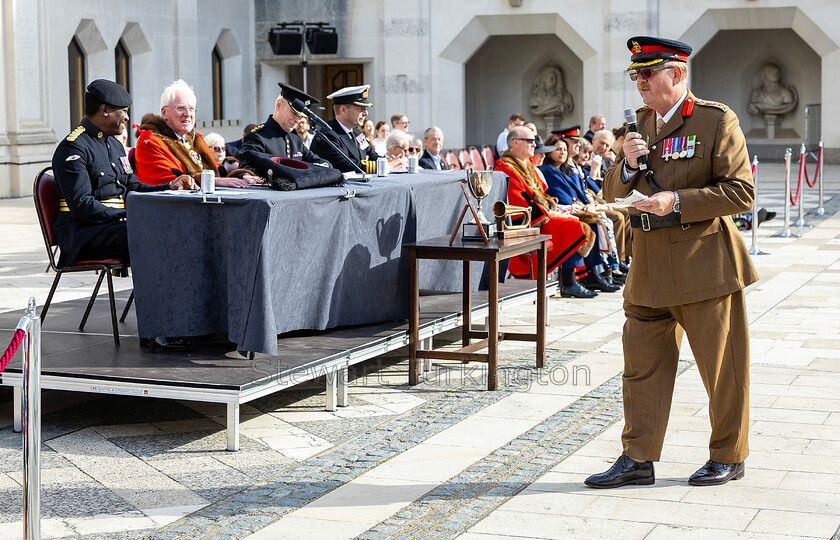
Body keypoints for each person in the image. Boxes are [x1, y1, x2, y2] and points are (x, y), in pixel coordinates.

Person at [587, 36, 758, 489]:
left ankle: (729, 455)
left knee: (722, 369)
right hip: (648, 267)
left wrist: (676, 200)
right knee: (641, 369)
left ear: (677, 74)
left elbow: (741, 192)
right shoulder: (640, 123)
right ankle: (637, 456)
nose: (639, 83)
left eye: (648, 73)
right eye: (635, 75)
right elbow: (612, 195)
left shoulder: (715, 119)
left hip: (704, 265)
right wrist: (624, 168)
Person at [51, 80, 197, 351]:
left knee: (182, 232)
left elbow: (132, 187)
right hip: (84, 235)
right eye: (123, 111)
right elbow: (82, 205)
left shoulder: (116, 147)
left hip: (114, 226)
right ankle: (159, 327)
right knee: (156, 239)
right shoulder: (73, 148)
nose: (127, 117)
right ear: (104, 110)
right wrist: (128, 217)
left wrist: (169, 186)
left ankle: (190, 320)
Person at [493, 125, 592, 285]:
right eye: (530, 141)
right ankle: (569, 283)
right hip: (524, 224)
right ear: (515, 143)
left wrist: (557, 210)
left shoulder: (525, 166)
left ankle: (577, 279)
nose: (534, 145)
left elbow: (545, 196)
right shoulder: (506, 168)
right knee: (575, 226)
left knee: (576, 223)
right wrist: (554, 214)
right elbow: (521, 205)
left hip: (538, 217)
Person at [133, 79, 252, 188]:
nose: (188, 114)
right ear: (164, 113)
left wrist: (241, 175)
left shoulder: (195, 139)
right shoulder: (149, 142)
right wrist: (212, 181)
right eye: (181, 108)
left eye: (191, 109)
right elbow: (174, 182)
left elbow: (217, 170)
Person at [236, 82, 331, 179]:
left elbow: (319, 162)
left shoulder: (295, 139)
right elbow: (246, 170)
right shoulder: (258, 137)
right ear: (278, 105)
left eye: (301, 116)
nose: (298, 120)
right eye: (294, 113)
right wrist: (247, 175)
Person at [310, 85, 401, 174]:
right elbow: (346, 165)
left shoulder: (356, 133)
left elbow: (372, 154)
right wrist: (384, 166)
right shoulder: (328, 135)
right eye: (361, 108)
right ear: (343, 110)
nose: (365, 113)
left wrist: (392, 161)